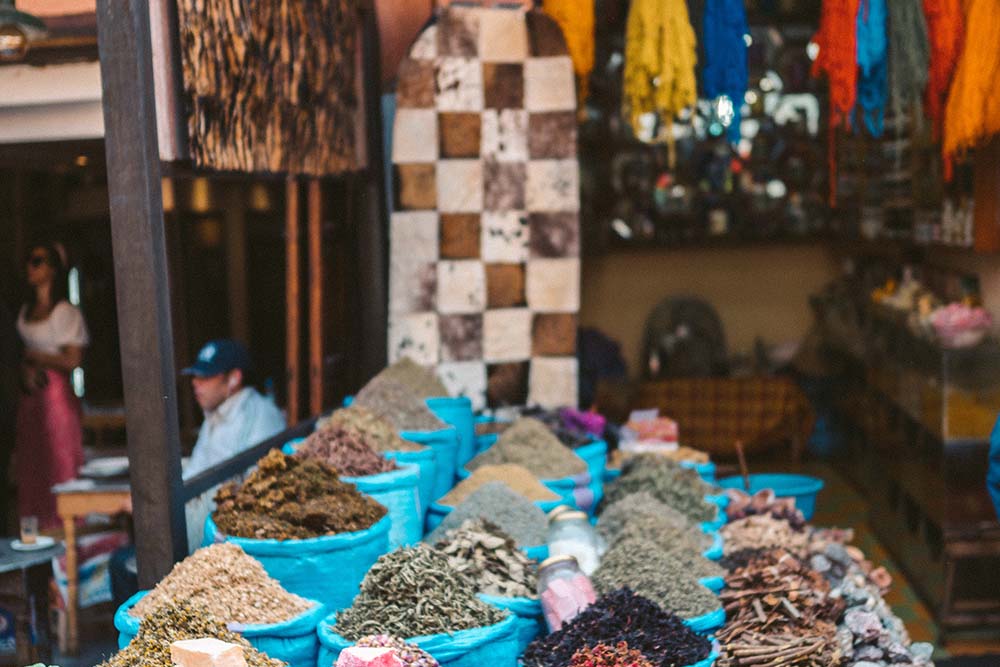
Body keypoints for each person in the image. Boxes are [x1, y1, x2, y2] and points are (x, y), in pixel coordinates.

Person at [15, 242, 89, 529]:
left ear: (53, 269)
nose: (31, 268)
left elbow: (73, 360)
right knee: (33, 464)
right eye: (29, 261)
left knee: (60, 460)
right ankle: (35, 530)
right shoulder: (24, 311)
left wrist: (35, 356)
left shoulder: (65, 312)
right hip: (31, 395)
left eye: (38, 261)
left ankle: (67, 530)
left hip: (55, 393)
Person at [181, 339, 286, 479]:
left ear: (234, 378)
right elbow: (197, 468)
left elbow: (258, 487)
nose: (195, 382)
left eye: (206, 376)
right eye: (195, 376)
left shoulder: (261, 416)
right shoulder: (215, 412)